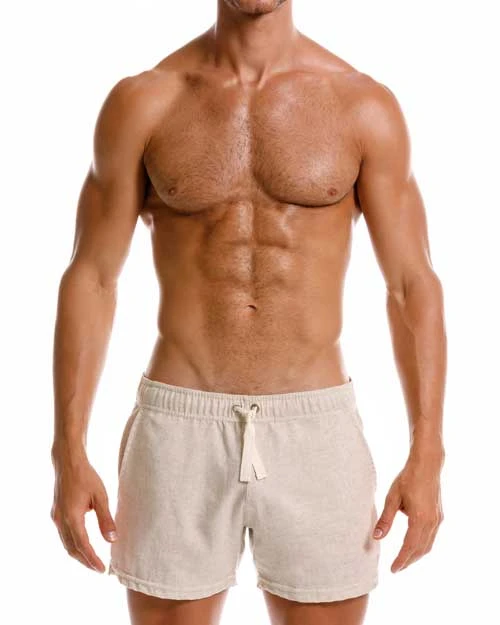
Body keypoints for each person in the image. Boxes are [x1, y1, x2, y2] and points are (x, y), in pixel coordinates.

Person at [49, 1, 446, 623]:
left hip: (313, 425)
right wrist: (67, 452)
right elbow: (92, 277)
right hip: (180, 423)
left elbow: (410, 284)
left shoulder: (362, 106)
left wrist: (428, 453)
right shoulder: (143, 102)